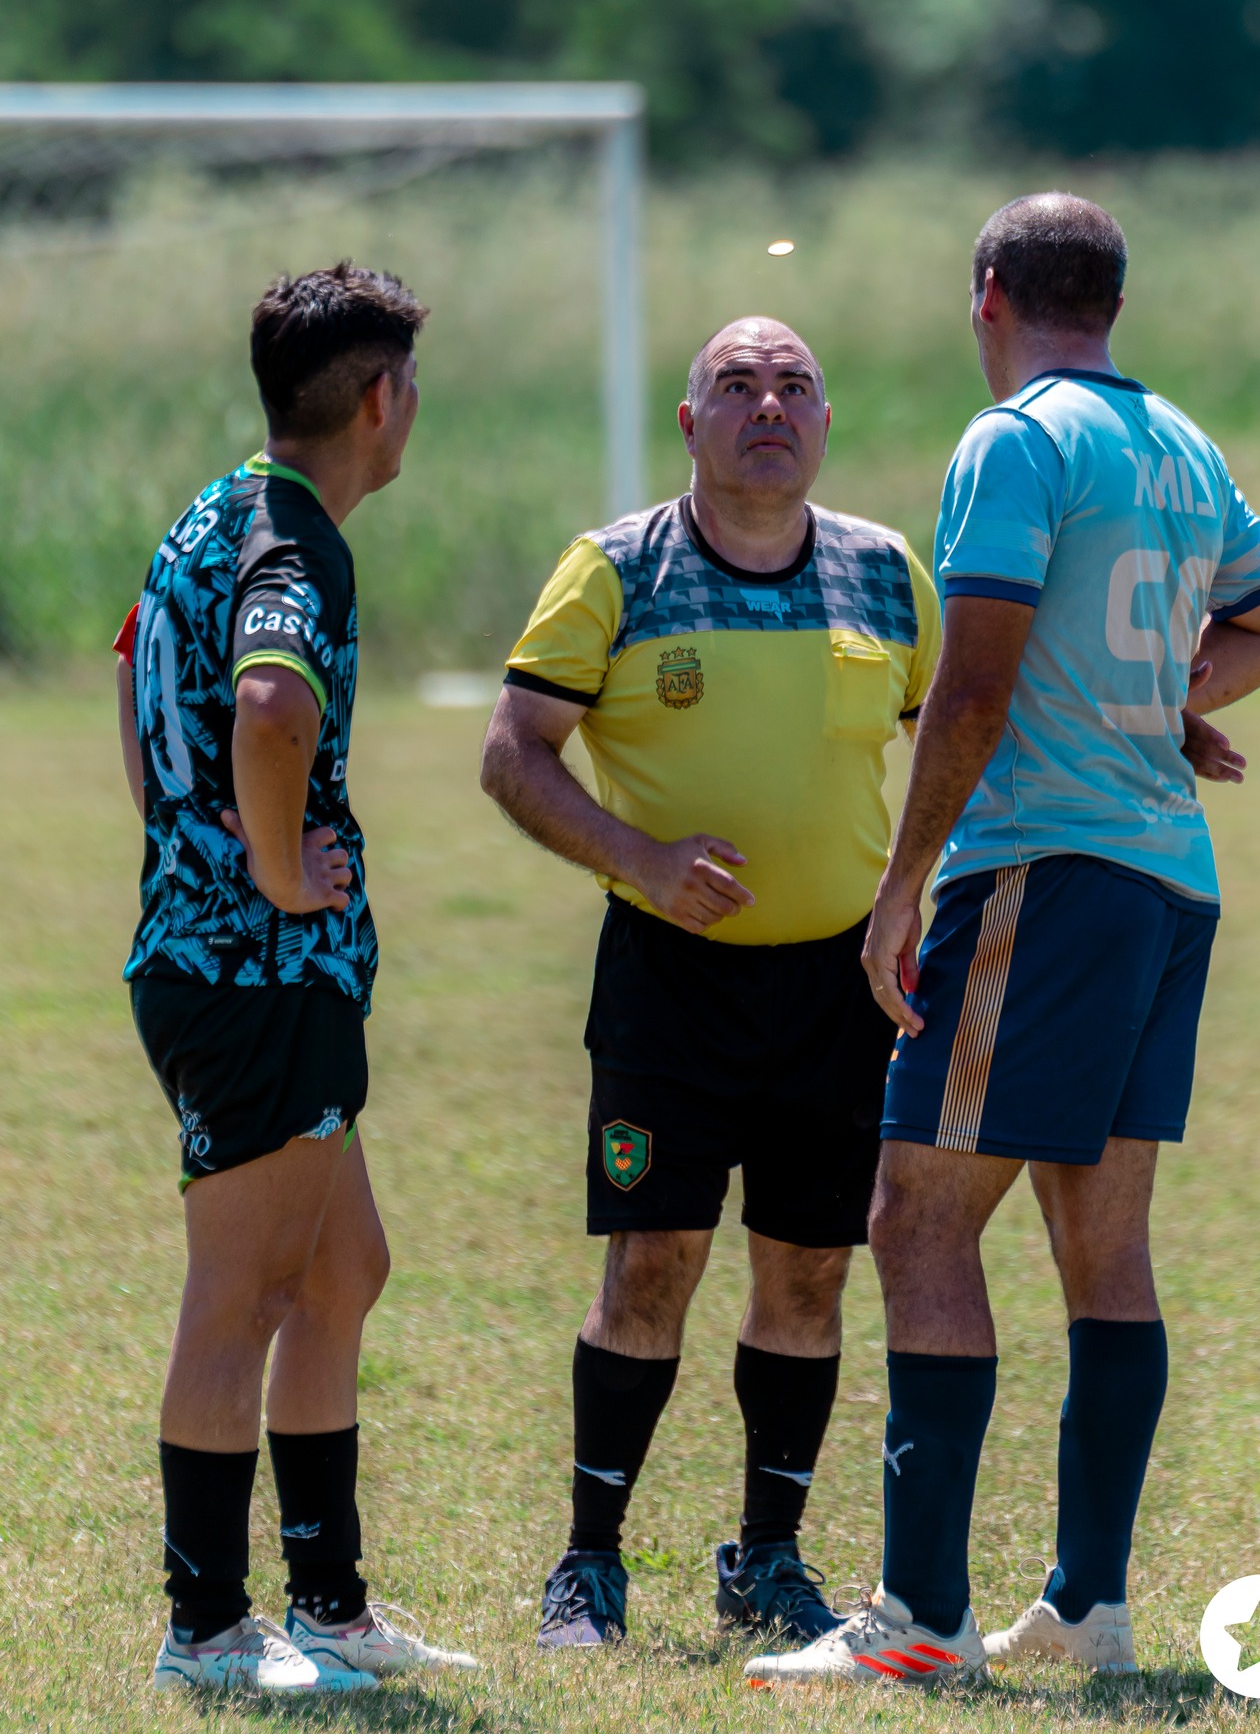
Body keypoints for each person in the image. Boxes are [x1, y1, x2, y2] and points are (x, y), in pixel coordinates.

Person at [745, 193, 1260, 1689]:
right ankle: (1086, 1606)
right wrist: (1159, 701)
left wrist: (899, 886)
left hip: (1039, 875)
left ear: (984, 293)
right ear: (1107, 299)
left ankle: (922, 1622)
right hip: (1162, 880)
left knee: (914, 1221)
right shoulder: (1179, 443)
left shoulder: (1015, 439)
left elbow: (978, 681)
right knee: (1098, 1241)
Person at [480, 316, 941, 1651]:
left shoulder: (881, 571)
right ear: (689, 424)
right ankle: (588, 1563)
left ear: (824, 421)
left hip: (840, 988)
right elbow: (516, 756)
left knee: (807, 1277)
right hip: (666, 985)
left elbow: (958, 742)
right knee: (652, 1264)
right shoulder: (613, 568)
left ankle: (770, 1558)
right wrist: (641, 856)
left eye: (792, 385)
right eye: (734, 385)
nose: (766, 406)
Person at [116, 262, 475, 1693]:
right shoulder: (300, 547)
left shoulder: (215, 508)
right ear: (382, 400)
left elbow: (138, 670)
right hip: (255, 973)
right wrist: (261, 871)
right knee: (246, 1291)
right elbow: (268, 701)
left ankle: (325, 1607)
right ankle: (205, 1632)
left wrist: (182, 838)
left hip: (244, 964)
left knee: (343, 1271)